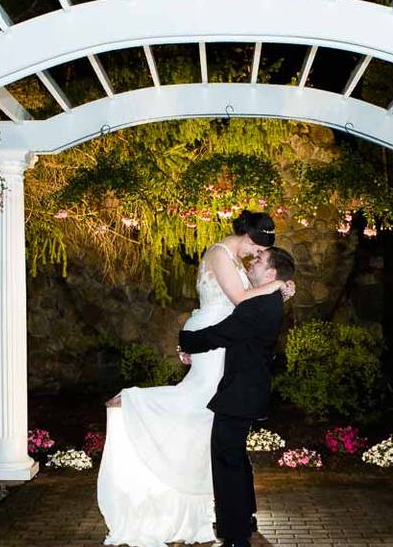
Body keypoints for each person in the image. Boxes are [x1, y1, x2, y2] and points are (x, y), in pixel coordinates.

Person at [97, 211, 294, 547]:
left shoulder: (246, 271)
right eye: (256, 250)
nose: (254, 257)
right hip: (217, 344)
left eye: (260, 256)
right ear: (248, 238)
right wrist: (277, 285)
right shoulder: (220, 254)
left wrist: (277, 286)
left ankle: (230, 517)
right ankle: (133, 400)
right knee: (199, 409)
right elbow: (240, 302)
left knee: (210, 428)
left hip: (224, 347)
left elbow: (246, 307)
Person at [178, 246, 295, 547]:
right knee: (236, 457)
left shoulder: (258, 306)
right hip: (245, 391)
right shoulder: (267, 300)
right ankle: (245, 517)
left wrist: (186, 340)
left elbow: (221, 334)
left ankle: (235, 535)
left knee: (226, 460)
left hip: (239, 393)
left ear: (271, 273)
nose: (252, 264)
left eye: (259, 260)